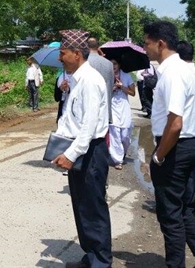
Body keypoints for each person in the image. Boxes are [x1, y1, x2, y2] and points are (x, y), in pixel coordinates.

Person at [143, 21, 195, 268]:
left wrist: (158, 156)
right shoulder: (192, 72)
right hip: (190, 143)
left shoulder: (173, 74)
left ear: (160, 43)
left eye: (146, 43)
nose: (145, 49)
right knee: (183, 208)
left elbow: (174, 124)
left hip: (175, 146)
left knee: (170, 216)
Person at [52, 29, 112, 268]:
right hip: (80, 149)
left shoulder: (90, 80)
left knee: (93, 207)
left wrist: (71, 154)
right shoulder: (76, 80)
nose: (60, 58)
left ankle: (101, 261)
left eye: (63, 53)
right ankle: (91, 255)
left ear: (77, 54)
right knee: (81, 206)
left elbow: (88, 127)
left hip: (90, 152)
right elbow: (72, 118)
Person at [177, 40, 195, 215]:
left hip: (182, 131)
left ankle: (183, 206)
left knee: (180, 173)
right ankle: (191, 203)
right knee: (193, 170)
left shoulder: (181, 75)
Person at [108, 58, 135, 170]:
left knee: (125, 135)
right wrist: (112, 88)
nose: (113, 66)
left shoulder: (127, 76)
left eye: (115, 63)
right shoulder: (107, 76)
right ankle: (118, 159)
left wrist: (122, 87)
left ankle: (122, 151)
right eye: (111, 64)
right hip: (112, 107)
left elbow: (133, 93)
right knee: (114, 133)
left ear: (119, 65)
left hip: (124, 108)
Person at [87, 37, 114, 125]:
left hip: (88, 110)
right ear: (98, 47)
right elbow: (110, 87)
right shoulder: (109, 64)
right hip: (105, 110)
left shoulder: (84, 62)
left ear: (87, 47)